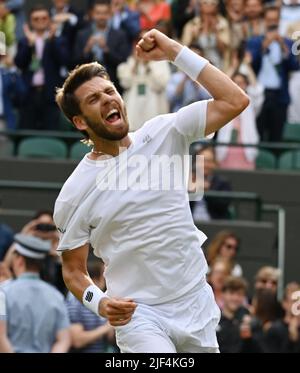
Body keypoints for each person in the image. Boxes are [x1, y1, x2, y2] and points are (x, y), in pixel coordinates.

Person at [54, 28, 249, 353]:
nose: (107, 100)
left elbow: (235, 100)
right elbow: (73, 270)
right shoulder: (73, 192)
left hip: (196, 304)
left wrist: (173, 51)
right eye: (93, 99)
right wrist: (99, 303)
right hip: (139, 314)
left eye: (109, 91)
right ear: (80, 122)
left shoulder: (165, 131)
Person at [2, 234, 71, 353]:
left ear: (19, 260)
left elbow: (0, 338)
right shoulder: (56, 295)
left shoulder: (3, 292)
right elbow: (64, 340)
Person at [216, 276, 249, 353]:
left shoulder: (248, 319)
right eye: (231, 293)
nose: (235, 298)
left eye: (239, 294)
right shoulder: (215, 319)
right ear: (223, 294)